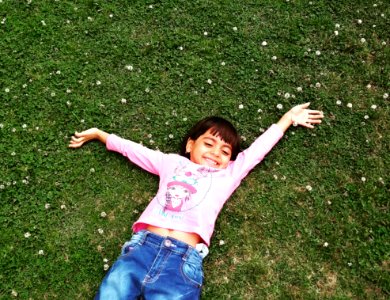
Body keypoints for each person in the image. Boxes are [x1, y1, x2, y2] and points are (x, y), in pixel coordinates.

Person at [69, 103, 323, 299]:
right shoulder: (172, 162)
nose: (215, 153)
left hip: (182, 262)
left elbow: (257, 150)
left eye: (225, 151)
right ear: (190, 144)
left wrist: (288, 118)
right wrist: (101, 135)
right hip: (141, 249)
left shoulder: (228, 174)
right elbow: (135, 150)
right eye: (209, 143)